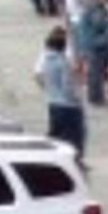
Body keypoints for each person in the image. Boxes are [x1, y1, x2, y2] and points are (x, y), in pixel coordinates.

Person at [35, 25, 87, 155]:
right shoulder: (62, 63)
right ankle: (76, 158)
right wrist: (77, 98)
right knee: (75, 136)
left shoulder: (46, 60)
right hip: (68, 105)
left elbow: (40, 76)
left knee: (57, 134)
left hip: (53, 102)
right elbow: (67, 86)